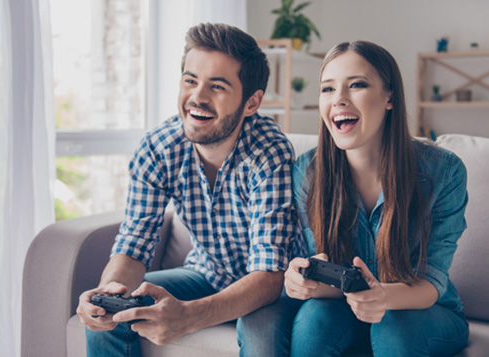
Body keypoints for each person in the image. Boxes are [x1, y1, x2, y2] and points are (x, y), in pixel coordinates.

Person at [76, 22, 306, 356]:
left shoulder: (269, 152)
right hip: (205, 273)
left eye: (217, 86)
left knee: (261, 338)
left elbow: (269, 276)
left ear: (252, 103)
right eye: (190, 80)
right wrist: (108, 292)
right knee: (113, 313)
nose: (197, 97)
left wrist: (187, 318)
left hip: (271, 288)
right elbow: (134, 244)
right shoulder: (158, 148)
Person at [283, 41, 469, 356]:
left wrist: (382, 296)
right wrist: (305, 282)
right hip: (348, 306)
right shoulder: (308, 172)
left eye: (356, 85)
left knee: (393, 326)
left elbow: (431, 284)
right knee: (312, 321)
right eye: (328, 89)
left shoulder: (444, 171)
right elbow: (326, 269)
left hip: (423, 312)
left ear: (389, 97)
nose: (339, 99)